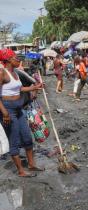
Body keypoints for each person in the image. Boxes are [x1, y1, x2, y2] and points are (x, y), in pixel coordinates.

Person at [0, 49, 43, 177]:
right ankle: (21, 171)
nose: (18, 59)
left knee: (27, 138)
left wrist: (34, 87)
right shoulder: (2, 72)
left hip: (19, 109)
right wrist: (5, 113)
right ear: (7, 60)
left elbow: (19, 88)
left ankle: (31, 164)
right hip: (8, 110)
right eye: (15, 57)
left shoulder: (15, 72)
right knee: (14, 140)